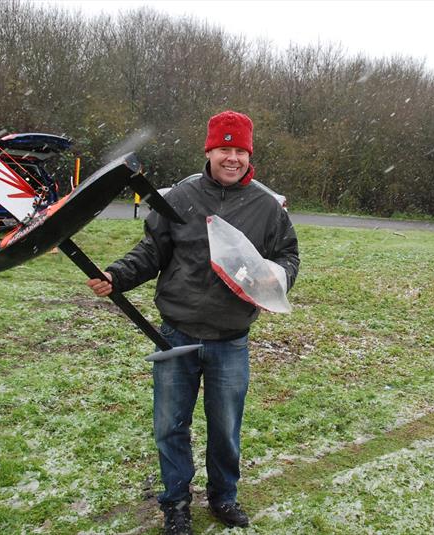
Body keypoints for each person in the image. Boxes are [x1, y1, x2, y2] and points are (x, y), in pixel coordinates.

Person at [87, 110, 299, 534]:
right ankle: (176, 504)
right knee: (170, 426)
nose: (232, 157)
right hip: (175, 334)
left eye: (239, 150)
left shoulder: (266, 206)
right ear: (209, 151)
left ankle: (224, 497)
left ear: (249, 154)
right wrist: (116, 276)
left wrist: (275, 278)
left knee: (225, 429)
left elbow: (288, 256)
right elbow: (152, 250)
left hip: (230, 337)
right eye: (224, 149)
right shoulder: (181, 196)